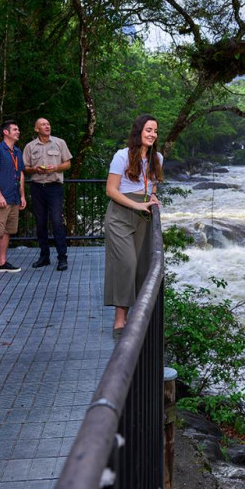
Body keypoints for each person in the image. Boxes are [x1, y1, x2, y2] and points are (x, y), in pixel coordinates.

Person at [104, 114, 163, 338]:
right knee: (126, 264)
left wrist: (152, 198)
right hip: (120, 215)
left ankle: (137, 319)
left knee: (140, 267)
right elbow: (111, 190)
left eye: (155, 131)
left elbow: (153, 186)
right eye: (148, 130)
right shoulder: (122, 156)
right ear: (139, 131)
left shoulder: (157, 157)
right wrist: (136, 205)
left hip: (143, 216)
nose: (152, 134)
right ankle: (120, 321)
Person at [23, 117, 73, 271]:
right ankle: (44, 256)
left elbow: (68, 163)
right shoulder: (30, 146)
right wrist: (35, 169)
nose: (47, 126)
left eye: (48, 124)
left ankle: (62, 258)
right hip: (37, 187)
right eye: (43, 124)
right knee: (40, 223)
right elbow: (25, 168)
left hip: (54, 187)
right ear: (36, 129)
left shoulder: (59, 142)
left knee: (57, 222)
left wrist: (56, 168)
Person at [0, 121, 27, 279]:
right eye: (15, 129)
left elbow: (21, 174)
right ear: (5, 132)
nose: (18, 132)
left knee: (7, 231)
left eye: (18, 129)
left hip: (14, 198)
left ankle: (2, 262)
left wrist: (22, 195)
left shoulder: (17, 151)